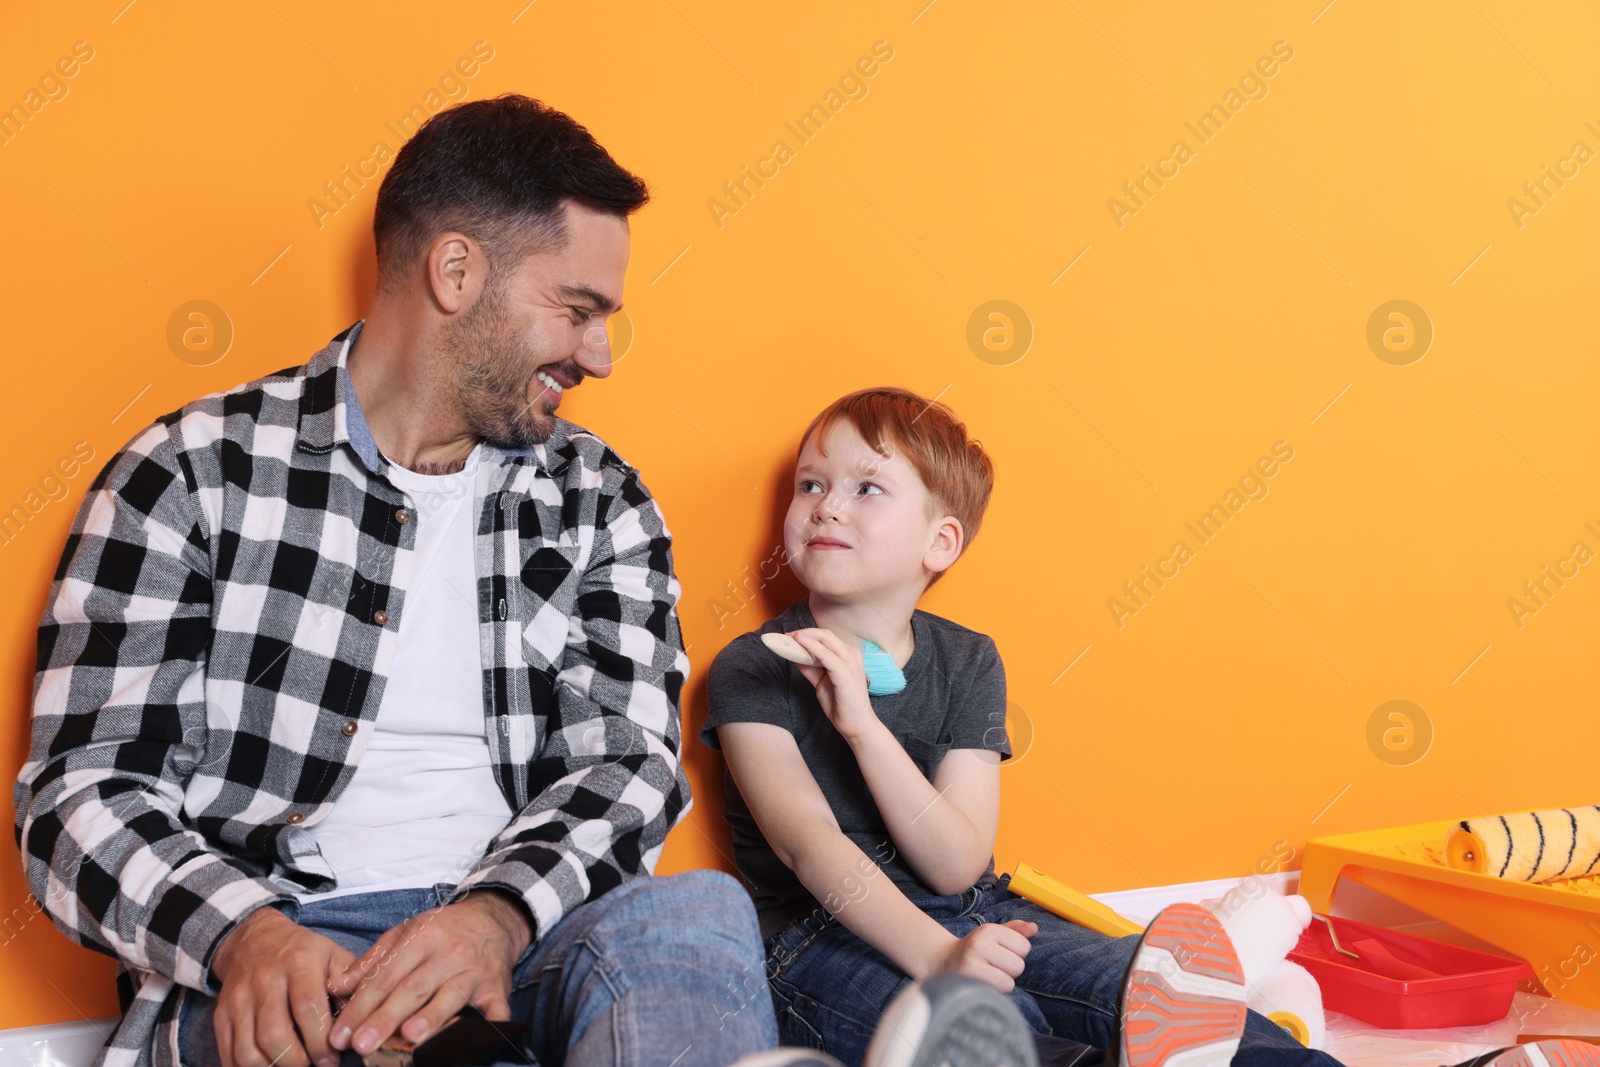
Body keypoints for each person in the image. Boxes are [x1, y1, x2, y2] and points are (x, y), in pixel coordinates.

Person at [12, 93, 767, 1067]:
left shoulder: (599, 499)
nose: (599, 354)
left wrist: (492, 917)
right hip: (280, 948)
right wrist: (246, 935)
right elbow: (82, 789)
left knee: (694, 911)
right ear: (456, 270)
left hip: (520, 937)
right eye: (576, 310)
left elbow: (625, 768)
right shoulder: (192, 472)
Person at [698, 386, 1597, 1067]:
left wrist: (865, 727)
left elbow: (955, 864)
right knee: (985, 1037)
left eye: (865, 487)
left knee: (1143, 987)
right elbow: (817, 852)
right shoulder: (754, 667)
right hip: (818, 941)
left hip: (973, 907)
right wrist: (941, 958)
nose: (825, 504)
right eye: (811, 483)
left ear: (940, 544)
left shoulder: (968, 660)